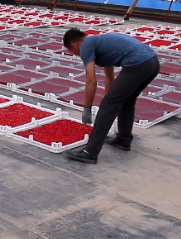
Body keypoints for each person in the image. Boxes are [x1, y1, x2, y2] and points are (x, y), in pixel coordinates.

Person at [62, 28, 160, 164]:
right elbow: (109, 77)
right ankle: (123, 140)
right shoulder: (99, 43)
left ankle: (90, 151)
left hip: (138, 64)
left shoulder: (85, 46)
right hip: (152, 62)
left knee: (108, 105)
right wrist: (111, 99)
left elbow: (91, 80)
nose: (78, 55)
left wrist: (88, 107)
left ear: (74, 45)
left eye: (73, 52)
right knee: (127, 101)